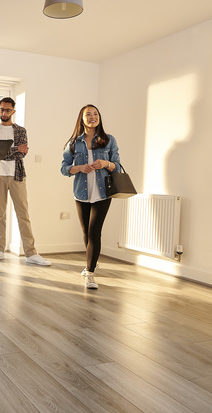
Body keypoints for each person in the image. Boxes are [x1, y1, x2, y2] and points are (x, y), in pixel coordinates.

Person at [0, 97, 51, 266]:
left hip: (17, 176)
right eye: (1, 109)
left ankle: (31, 253)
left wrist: (2, 150)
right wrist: (13, 149)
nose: (3, 113)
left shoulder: (21, 131)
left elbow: (22, 154)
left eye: (7, 110)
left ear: (13, 111)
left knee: (23, 215)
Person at [60, 104, 120, 289]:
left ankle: (90, 272)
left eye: (95, 114)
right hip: (81, 192)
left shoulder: (109, 140)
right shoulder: (73, 143)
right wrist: (78, 168)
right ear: (82, 119)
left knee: (95, 231)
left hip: (103, 193)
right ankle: (91, 262)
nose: (92, 117)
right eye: (88, 114)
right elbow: (64, 168)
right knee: (86, 232)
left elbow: (117, 165)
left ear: (99, 118)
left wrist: (106, 163)